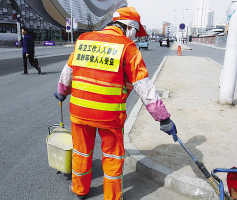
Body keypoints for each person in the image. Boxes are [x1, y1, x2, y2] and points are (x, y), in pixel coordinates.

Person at [55, 7, 177, 200]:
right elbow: (143, 85)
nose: (135, 36)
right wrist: (163, 118)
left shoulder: (84, 39)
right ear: (129, 26)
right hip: (109, 116)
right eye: (136, 31)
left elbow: (68, 71)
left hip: (80, 112)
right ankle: (112, 197)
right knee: (112, 157)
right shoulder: (127, 47)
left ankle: (80, 190)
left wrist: (62, 91)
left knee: (81, 152)